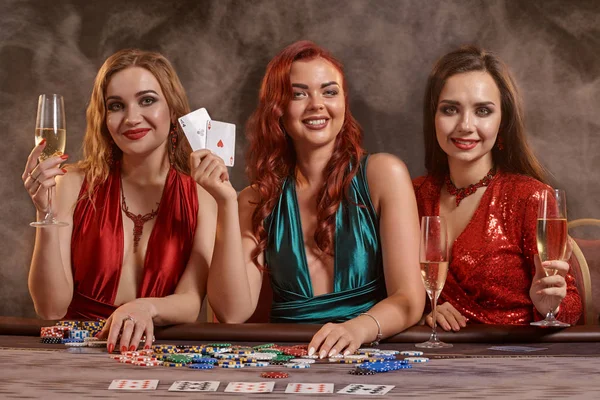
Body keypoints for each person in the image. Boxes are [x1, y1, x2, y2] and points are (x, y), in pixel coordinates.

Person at [192, 40, 425, 358]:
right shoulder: (254, 200)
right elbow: (233, 312)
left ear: (344, 101)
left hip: (370, 352)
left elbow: (409, 299)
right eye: (299, 94)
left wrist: (357, 329)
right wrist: (225, 202)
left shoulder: (384, 175)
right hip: (288, 361)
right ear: (278, 109)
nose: (317, 104)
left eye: (329, 91)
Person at [22, 49, 217, 353]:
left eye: (147, 100)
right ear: (103, 118)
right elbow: (50, 309)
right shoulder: (71, 184)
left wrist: (144, 308)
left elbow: (191, 302)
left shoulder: (202, 196)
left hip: (156, 354)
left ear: (173, 110)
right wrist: (45, 214)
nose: (131, 118)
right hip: (75, 354)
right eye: (116, 106)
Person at [414, 45, 582, 330]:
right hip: (438, 359)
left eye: (482, 111)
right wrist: (419, 312)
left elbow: (573, 307)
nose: (465, 125)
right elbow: (389, 293)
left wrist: (548, 307)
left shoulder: (530, 197)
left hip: (515, 360)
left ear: (502, 122)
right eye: (450, 109)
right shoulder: (411, 195)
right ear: (434, 118)